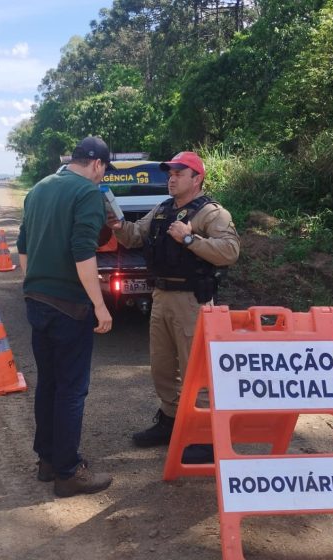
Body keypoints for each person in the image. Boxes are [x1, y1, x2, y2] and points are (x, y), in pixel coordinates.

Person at [109, 151, 240, 463]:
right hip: (161, 297)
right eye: (170, 172)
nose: (171, 177)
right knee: (162, 367)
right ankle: (170, 424)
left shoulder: (211, 214)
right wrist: (116, 224)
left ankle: (207, 438)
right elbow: (134, 237)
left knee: (198, 371)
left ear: (196, 179)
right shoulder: (162, 209)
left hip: (192, 301)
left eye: (179, 173)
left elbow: (230, 251)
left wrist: (190, 240)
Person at [16, 136, 115, 497]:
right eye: (103, 171)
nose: (101, 178)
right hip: (69, 306)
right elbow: (82, 253)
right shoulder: (88, 193)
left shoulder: (40, 188)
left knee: (49, 383)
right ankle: (68, 471)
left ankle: (47, 460)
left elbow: (23, 245)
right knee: (72, 389)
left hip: (36, 300)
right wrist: (100, 305)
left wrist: (33, 284)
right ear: (98, 165)